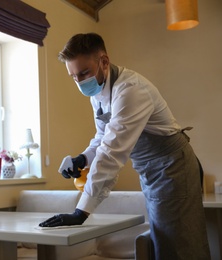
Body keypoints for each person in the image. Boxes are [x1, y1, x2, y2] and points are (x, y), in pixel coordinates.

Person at [38, 33, 211, 260]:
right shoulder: (98, 92)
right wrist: (83, 159)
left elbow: (111, 153)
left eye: (84, 73)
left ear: (104, 62)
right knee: (164, 242)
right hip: (151, 172)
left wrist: (82, 210)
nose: (80, 82)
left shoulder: (130, 90)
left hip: (173, 169)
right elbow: (103, 136)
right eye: (73, 77)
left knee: (181, 247)